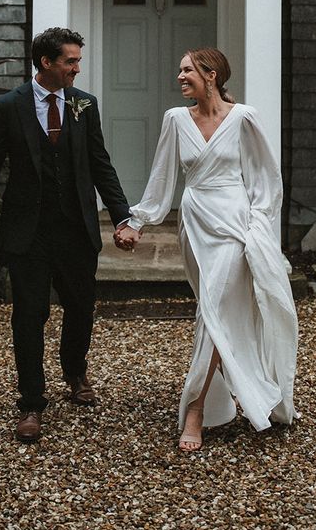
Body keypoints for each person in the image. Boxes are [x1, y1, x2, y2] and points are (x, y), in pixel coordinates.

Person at [115, 48, 298, 452]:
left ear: (211, 75)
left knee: (215, 307)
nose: (179, 77)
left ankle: (196, 411)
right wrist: (138, 220)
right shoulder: (176, 120)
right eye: (179, 70)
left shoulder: (245, 118)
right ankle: (231, 398)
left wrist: (259, 229)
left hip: (236, 224)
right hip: (196, 223)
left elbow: (267, 179)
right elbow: (161, 178)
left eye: (186, 70)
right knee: (213, 308)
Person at [0, 28, 133, 444]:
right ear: (46, 63)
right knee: (29, 314)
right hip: (27, 233)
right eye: (71, 61)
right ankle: (32, 403)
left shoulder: (83, 105)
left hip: (76, 230)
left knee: (80, 308)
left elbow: (100, 164)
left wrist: (123, 218)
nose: (77, 68)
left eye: (77, 61)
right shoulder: (10, 106)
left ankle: (74, 371)